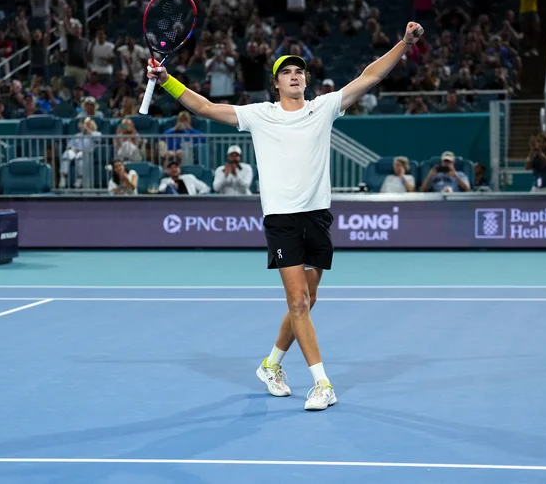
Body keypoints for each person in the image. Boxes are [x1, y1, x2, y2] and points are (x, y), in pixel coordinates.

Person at [146, 21, 426, 411]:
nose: (294, 77)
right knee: (297, 303)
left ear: (306, 81)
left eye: (299, 72)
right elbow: (206, 107)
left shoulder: (324, 107)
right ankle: (322, 383)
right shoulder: (259, 114)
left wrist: (403, 43)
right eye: (286, 73)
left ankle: (271, 365)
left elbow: (371, 76)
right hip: (281, 219)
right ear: (276, 84)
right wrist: (166, 82)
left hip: (317, 217)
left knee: (308, 301)